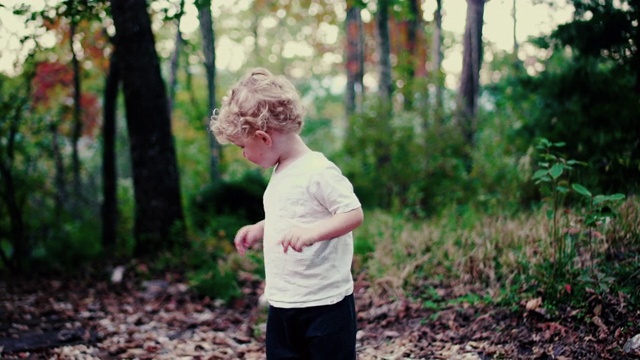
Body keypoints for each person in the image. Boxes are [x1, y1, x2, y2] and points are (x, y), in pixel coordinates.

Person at [209, 67, 364, 359]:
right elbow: (295, 213)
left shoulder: (319, 170)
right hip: (284, 302)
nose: (244, 154)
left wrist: (312, 233)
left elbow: (353, 214)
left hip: (325, 304)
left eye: (243, 147)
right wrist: (261, 228)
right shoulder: (282, 171)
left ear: (264, 138)